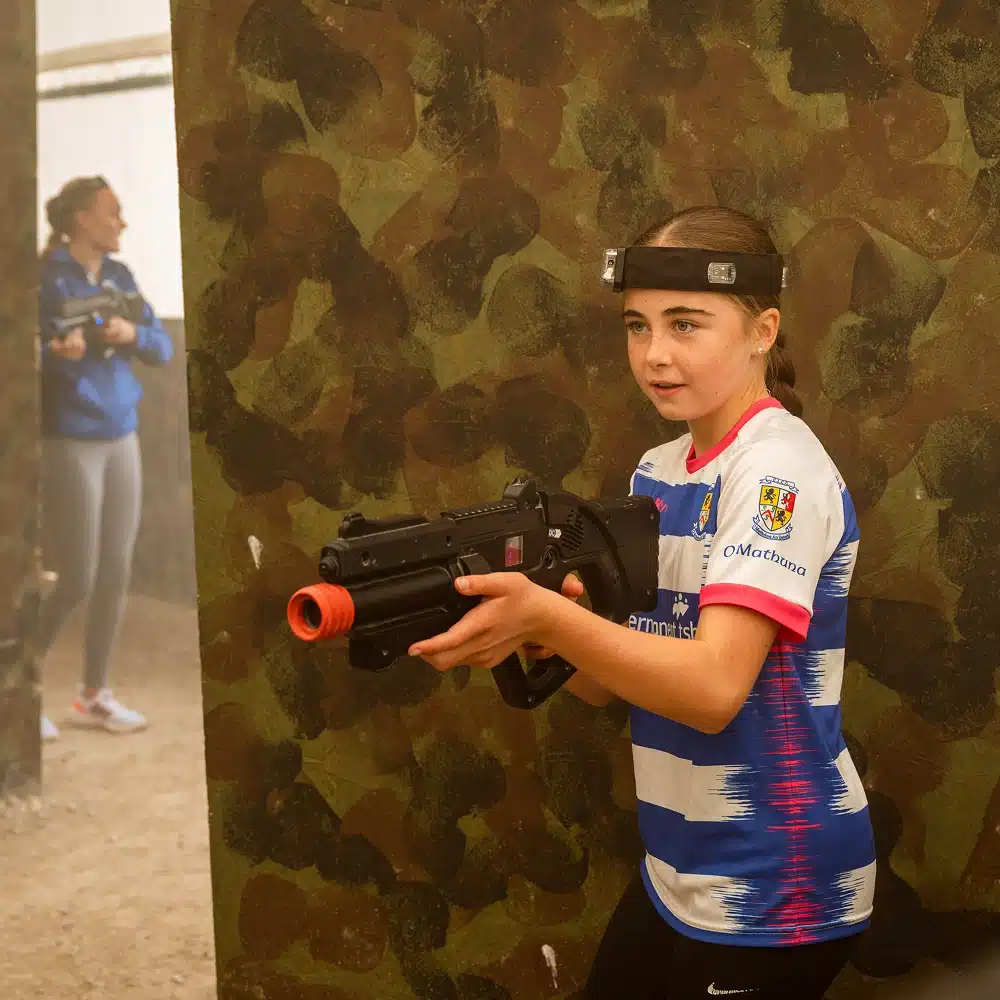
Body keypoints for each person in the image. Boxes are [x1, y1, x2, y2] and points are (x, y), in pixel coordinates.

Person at [408, 206, 876, 998]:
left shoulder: (776, 477)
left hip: (774, 887)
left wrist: (549, 616)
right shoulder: (659, 470)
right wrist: (532, 630)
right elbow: (614, 679)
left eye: (686, 324)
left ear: (762, 331)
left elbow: (713, 690)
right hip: (680, 872)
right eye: (637, 325)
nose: (654, 355)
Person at [37, 176, 173, 739]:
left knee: (115, 571)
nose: (122, 223)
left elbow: (162, 348)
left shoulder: (119, 277)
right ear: (81, 219)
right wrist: (50, 351)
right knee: (76, 576)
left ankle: (93, 695)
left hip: (123, 436)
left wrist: (127, 333)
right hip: (71, 439)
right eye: (112, 213)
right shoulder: (44, 278)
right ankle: (12, 688)